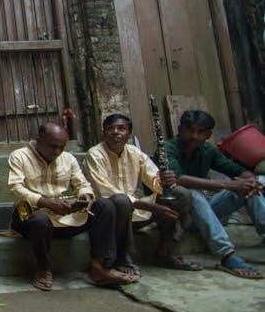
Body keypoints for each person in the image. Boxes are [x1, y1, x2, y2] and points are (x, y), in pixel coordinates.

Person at [7, 122, 134, 291]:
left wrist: (85, 196)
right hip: (26, 210)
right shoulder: (19, 156)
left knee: (105, 205)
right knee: (39, 219)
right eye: (53, 146)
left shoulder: (68, 158)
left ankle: (99, 267)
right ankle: (43, 268)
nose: (57, 151)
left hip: (62, 213)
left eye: (62, 147)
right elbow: (15, 189)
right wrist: (46, 202)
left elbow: (82, 184)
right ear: (39, 139)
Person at [84, 114, 200, 276]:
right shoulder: (95, 154)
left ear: (129, 134)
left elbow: (154, 180)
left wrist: (165, 182)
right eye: (110, 128)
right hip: (109, 216)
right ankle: (121, 256)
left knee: (180, 194)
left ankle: (164, 252)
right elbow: (106, 193)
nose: (115, 132)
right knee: (121, 200)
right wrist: (152, 207)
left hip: (136, 212)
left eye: (121, 128)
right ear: (104, 133)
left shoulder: (135, 153)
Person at [166, 110, 264, 279]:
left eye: (200, 131)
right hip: (180, 215)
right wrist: (229, 185)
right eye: (190, 130)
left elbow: (237, 170)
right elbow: (179, 179)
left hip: (204, 212)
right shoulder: (168, 148)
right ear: (180, 129)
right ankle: (227, 256)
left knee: (256, 182)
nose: (194, 136)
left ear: (208, 135)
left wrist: (252, 182)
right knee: (193, 193)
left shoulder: (207, 150)